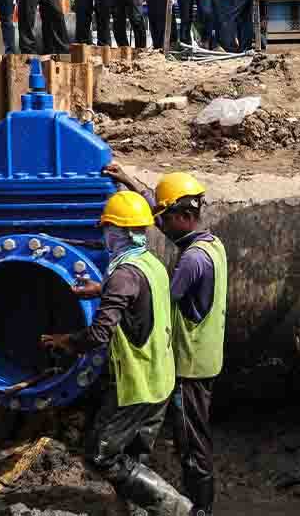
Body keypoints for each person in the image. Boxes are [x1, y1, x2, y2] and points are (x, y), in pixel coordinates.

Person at [40, 191, 193, 516]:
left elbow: (98, 334)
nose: (104, 236)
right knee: (133, 458)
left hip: (137, 385)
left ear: (119, 232)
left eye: (107, 229)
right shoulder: (151, 264)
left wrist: (65, 340)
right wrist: (100, 289)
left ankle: (179, 509)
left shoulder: (123, 273)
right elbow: (138, 293)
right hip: (162, 379)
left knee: (102, 455)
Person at [103, 165, 226, 516]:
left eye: (166, 217)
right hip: (207, 357)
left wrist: (106, 290)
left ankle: (199, 510)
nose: (160, 224)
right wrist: (130, 184)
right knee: (189, 436)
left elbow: (155, 296)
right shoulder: (211, 244)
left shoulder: (191, 261)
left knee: (192, 442)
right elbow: (158, 219)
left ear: (186, 216)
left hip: (189, 366)